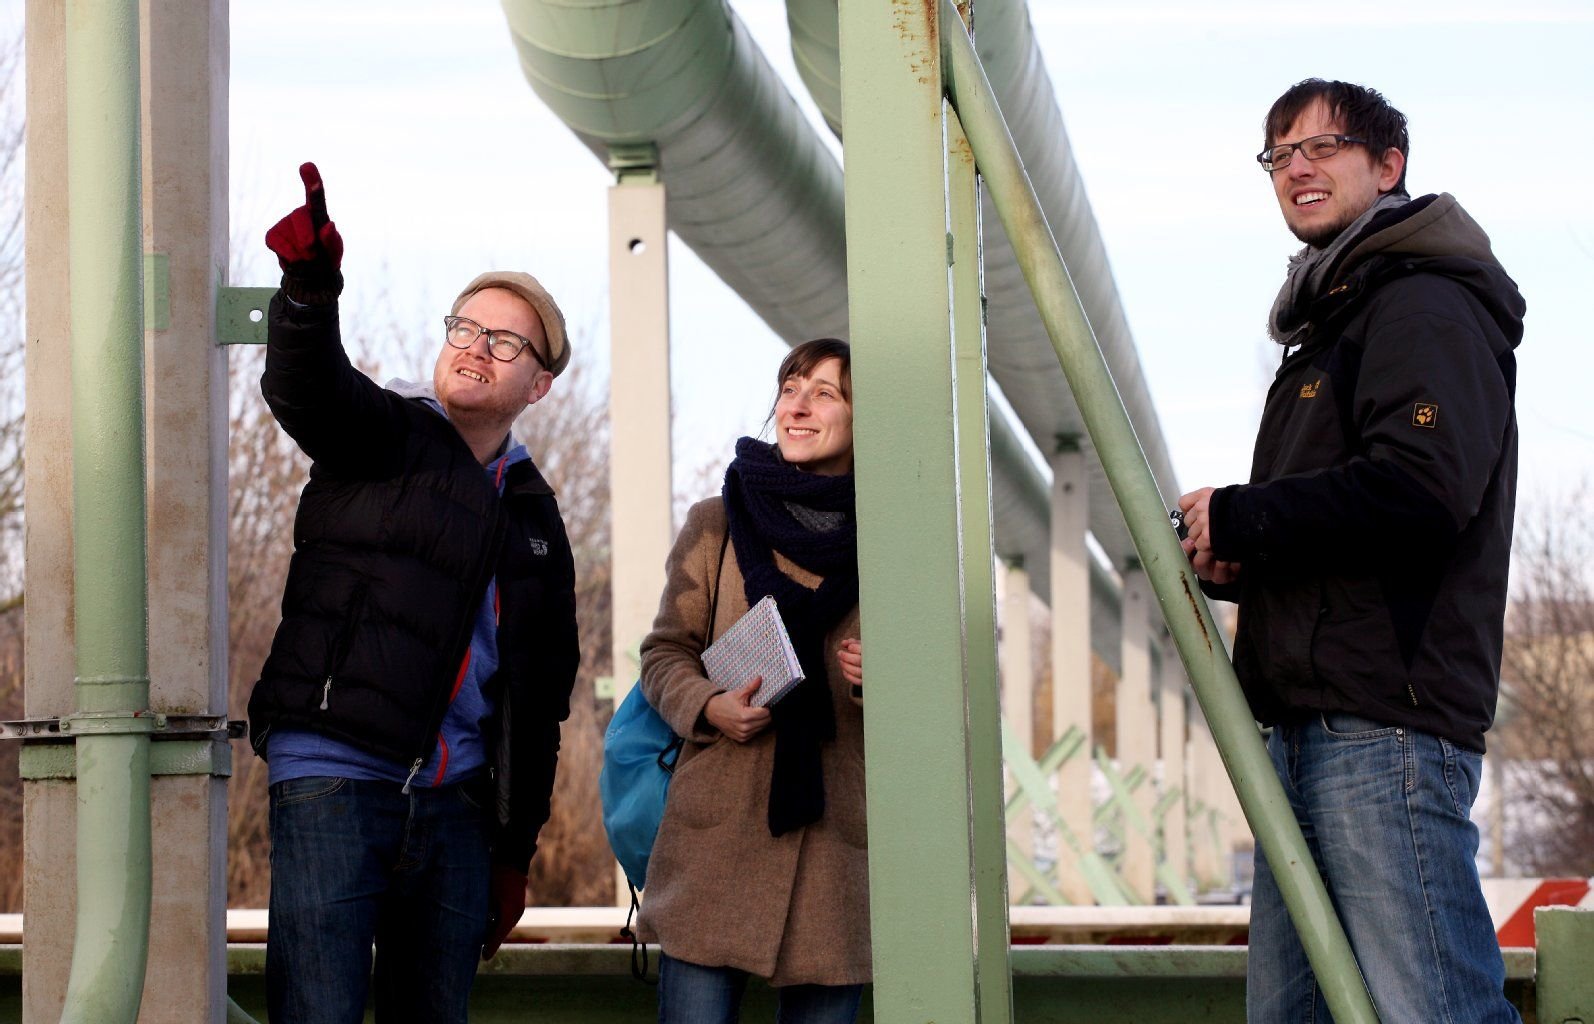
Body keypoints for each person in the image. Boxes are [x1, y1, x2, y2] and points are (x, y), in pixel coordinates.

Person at [1177, 80, 1525, 1023]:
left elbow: (1421, 489)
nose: (1297, 166)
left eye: (1323, 146)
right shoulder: (1329, 326)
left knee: (1435, 1011)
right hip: (1310, 722)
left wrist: (1246, 515)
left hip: (1382, 723)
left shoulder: (1421, 303)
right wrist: (1238, 557)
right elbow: (1343, 520)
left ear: (1389, 166)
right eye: (1279, 154)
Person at [245, 163, 580, 1024]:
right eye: (466, 326)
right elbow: (305, 386)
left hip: (457, 810)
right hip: (335, 775)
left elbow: (538, 700)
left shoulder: (537, 518)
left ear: (539, 384)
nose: (476, 345)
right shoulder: (383, 433)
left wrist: (514, 851)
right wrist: (310, 293)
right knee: (316, 1012)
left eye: (506, 341)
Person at [637, 338, 868, 1023]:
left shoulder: (894, 536)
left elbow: (943, 692)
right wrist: (709, 705)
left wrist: (879, 680)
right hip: (718, 843)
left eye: (824, 393)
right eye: (790, 388)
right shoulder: (717, 522)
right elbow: (663, 653)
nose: (797, 406)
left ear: (864, 418)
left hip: (836, 855)